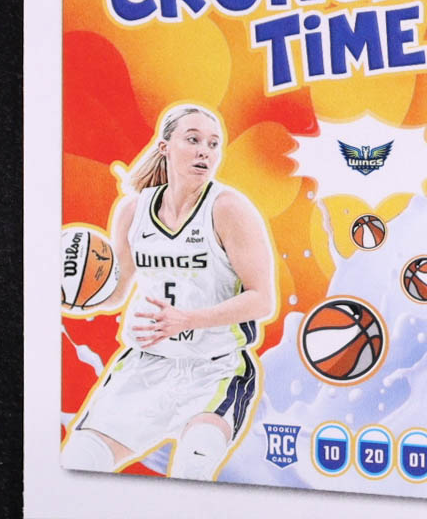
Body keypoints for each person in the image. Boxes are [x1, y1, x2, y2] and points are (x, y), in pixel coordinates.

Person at [61, 104, 275, 481]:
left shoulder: (228, 208)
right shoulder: (133, 210)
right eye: (193, 140)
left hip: (215, 368)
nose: (204, 151)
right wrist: (67, 295)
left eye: (213, 144)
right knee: (79, 462)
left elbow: (263, 300)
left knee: (192, 471)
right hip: (145, 365)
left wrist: (188, 320)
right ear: (165, 146)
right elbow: (116, 292)